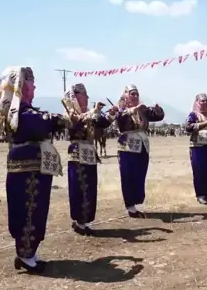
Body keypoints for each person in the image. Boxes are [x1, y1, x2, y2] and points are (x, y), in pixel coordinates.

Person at [0, 66, 67, 273]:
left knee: (35, 207)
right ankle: (26, 254)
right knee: (29, 208)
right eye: (32, 83)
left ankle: (29, 253)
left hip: (32, 166)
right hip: (28, 170)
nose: (35, 87)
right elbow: (40, 123)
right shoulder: (20, 113)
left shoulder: (24, 111)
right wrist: (58, 119)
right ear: (23, 87)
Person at [62, 83, 117, 235]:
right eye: (83, 95)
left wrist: (111, 113)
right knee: (79, 187)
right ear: (75, 96)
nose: (86, 98)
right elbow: (77, 122)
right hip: (77, 153)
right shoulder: (69, 111)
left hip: (90, 153)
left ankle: (84, 221)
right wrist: (95, 110)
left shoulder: (89, 112)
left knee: (90, 187)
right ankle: (79, 221)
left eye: (86, 95)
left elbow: (102, 122)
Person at [115, 84, 165, 217]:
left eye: (137, 94)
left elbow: (157, 116)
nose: (136, 96)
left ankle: (136, 202)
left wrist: (158, 110)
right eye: (132, 94)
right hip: (127, 147)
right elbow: (120, 118)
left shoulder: (142, 110)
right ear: (126, 95)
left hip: (142, 146)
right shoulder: (121, 109)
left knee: (140, 174)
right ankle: (130, 206)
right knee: (128, 175)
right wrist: (134, 109)